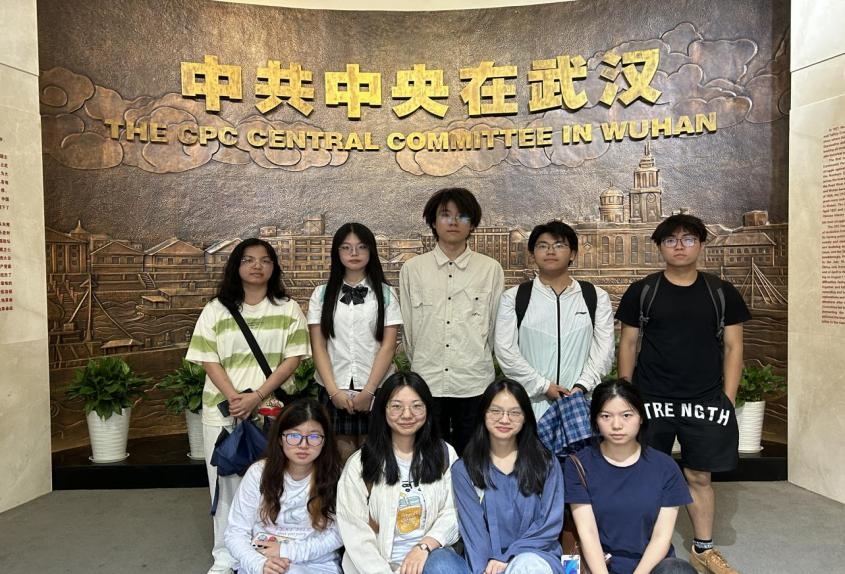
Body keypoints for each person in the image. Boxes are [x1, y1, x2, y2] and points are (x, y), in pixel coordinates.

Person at [615, 214, 750, 574]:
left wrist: (728, 397)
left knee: (699, 475)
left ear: (701, 245)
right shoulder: (643, 291)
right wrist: (626, 395)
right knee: (645, 473)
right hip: (651, 396)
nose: (679, 246)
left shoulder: (721, 292)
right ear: (660, 247)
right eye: (671, 240)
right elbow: (628, 343)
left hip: (704, 398)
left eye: (688, 239)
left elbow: (734, 347)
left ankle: (703, 549)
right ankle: (644, 545)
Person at [187, 238, 310, 574]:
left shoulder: (287, 308)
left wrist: (256, 396)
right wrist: (234, 398)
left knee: (272, 482)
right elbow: (208, 358)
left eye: (265, 260)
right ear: (236, 266)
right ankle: (225, 555)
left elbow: (293, 359)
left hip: (272, 410)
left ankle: (266, 550)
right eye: (249, 260)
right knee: (225, 483)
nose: (257, 266)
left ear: (274, 267)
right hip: (223, 411)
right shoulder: (216, 309)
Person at [399, 187, 505, 454]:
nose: (454, 222)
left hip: (474, 381)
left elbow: (494, 326)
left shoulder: (490, 269)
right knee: (427, 457)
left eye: (463, 216)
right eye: (446, 215)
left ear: (473, 224)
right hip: (427, 380)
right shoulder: (413, 269)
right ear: (433, 222)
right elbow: (409, 330)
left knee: (473, 457)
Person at [336, 372, 464, 574]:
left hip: (430, 560)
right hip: (376, 568)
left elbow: (454, 511)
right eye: (396, 406)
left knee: (443, 565)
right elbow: (355, 532)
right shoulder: (360, 463)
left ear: (428, 409)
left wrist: (424, 546)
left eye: (416, 406)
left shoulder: (444, 454)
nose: (407, 414)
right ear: (383, 410)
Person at [565, 379, 694, 574]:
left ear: (641, 417)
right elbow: (587, 533)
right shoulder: (578, 464)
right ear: (595, 420)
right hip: (596, 564)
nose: (616, 425)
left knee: (679, 570)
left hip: (648, 565)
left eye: (626, 415)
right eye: (606, 416)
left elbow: (661, 537)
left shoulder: (665, 467)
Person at [495, 220, 615, 419]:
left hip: (580, 406)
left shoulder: (595, 296)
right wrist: (543, 386)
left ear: (573, 254)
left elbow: (604, 351)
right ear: (532, 254)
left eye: (559, 245)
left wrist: (581, 386)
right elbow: (506, 351)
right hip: (530, 407)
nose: (550, 251)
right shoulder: (514, 298)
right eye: (543, 246)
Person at [307, 222, 403, 460]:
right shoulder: (321, 294)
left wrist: (369, 391)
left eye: (361, 247)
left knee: (375, 459)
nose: (354, 253)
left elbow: (388, 346)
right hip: (333, 386)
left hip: (376, 387)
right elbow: (318, 346)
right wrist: (333, 392)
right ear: (337, 252)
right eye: (346, 247)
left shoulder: (386, 293)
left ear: (371, 251)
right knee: (339, 458)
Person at [452, 379, 565, 574]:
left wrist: (510, 556)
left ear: (525, 417)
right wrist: (486, 569)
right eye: (496, 411)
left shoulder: (545, 463)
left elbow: (549, 524)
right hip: (489, 565)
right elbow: (474, 533)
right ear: (483, 414)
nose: (504, 420)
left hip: (537, 558)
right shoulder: (465, 470)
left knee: (527, 566)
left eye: (514, 412)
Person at [224, 399, 343, 574]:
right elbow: (236, 532)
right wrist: (260, 564)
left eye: (314, 437)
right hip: (263, 558)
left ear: (325, 440)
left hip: (315, 562)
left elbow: (340, 533)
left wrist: (286, 551)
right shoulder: (258, 473)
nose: (303, 445)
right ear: (280, 439)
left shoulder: (336, 475)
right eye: (294, 436)